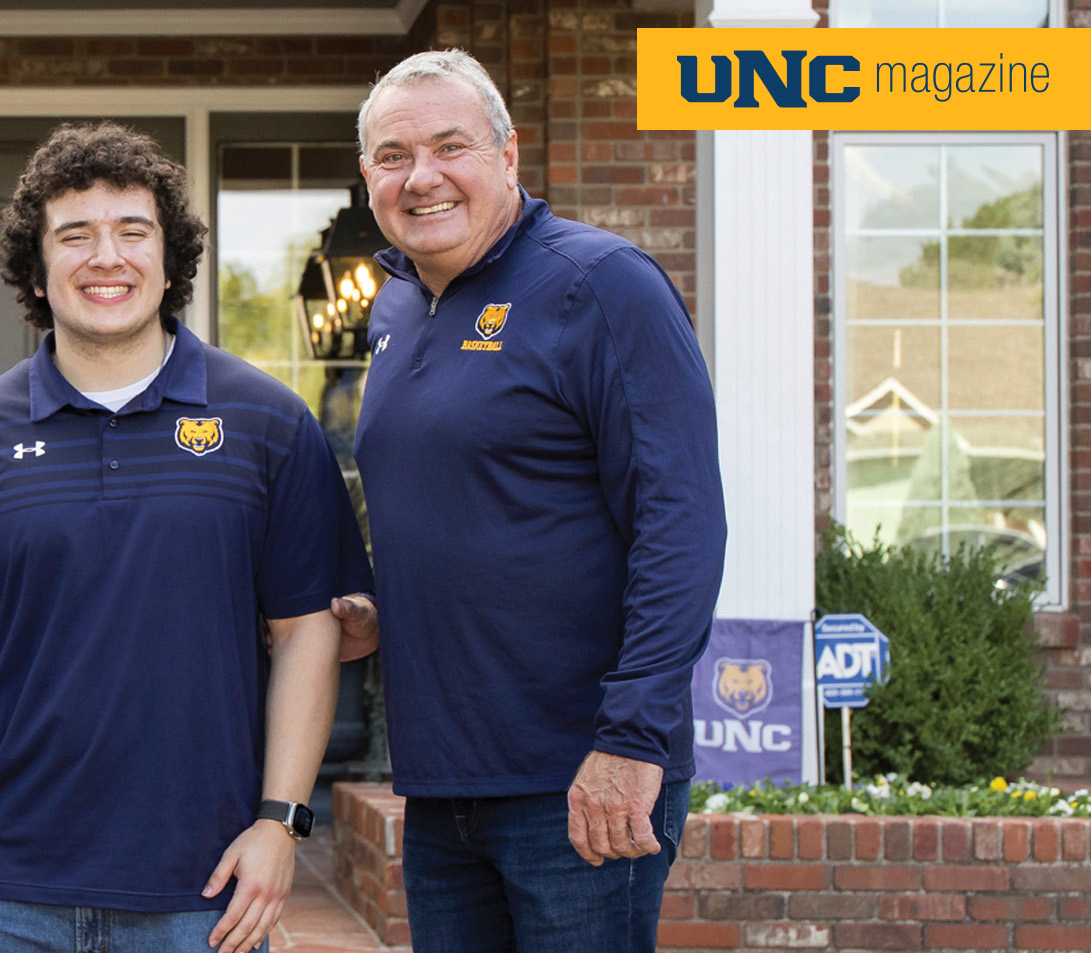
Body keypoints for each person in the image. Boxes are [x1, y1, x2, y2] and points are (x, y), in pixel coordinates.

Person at [0, 122, 372, 953]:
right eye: (75, 236)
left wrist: (280, 822)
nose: (106, 257)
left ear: (170, 259)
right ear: (37, 269)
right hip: (1, 890)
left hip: (206, 886)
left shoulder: (267, 424)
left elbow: (306, 634)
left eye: (132, 232)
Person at [335, 49, 727, 953]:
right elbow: (481, 506)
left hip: (581, 773)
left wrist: (632, 741)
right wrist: (383, 608)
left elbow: (681, 524)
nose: (421, 176)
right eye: (394, 156)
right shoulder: (396, 308)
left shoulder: (600, 285)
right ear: (368, 179)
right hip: (441, 780)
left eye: (450, 147)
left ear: (508, 156)